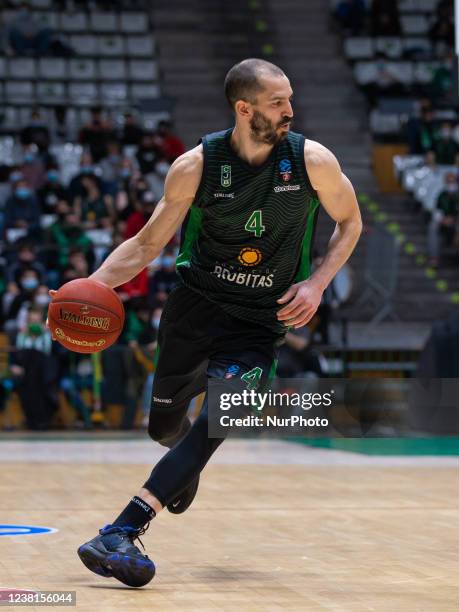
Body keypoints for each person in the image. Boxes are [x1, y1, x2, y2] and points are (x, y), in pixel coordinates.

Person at [50, 58, 362, 587]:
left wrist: (316, 283)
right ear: (244, 109)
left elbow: (351, 221)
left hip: (260, 323)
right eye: (277, 101)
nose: (291, 109)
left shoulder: (313, 161)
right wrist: (94, 288)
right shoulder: (195, 166)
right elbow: (148, 244)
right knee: (166, 428)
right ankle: (180, 462)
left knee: (224, 417)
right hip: (196, 309)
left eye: (289, 98)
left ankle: (122, 529)